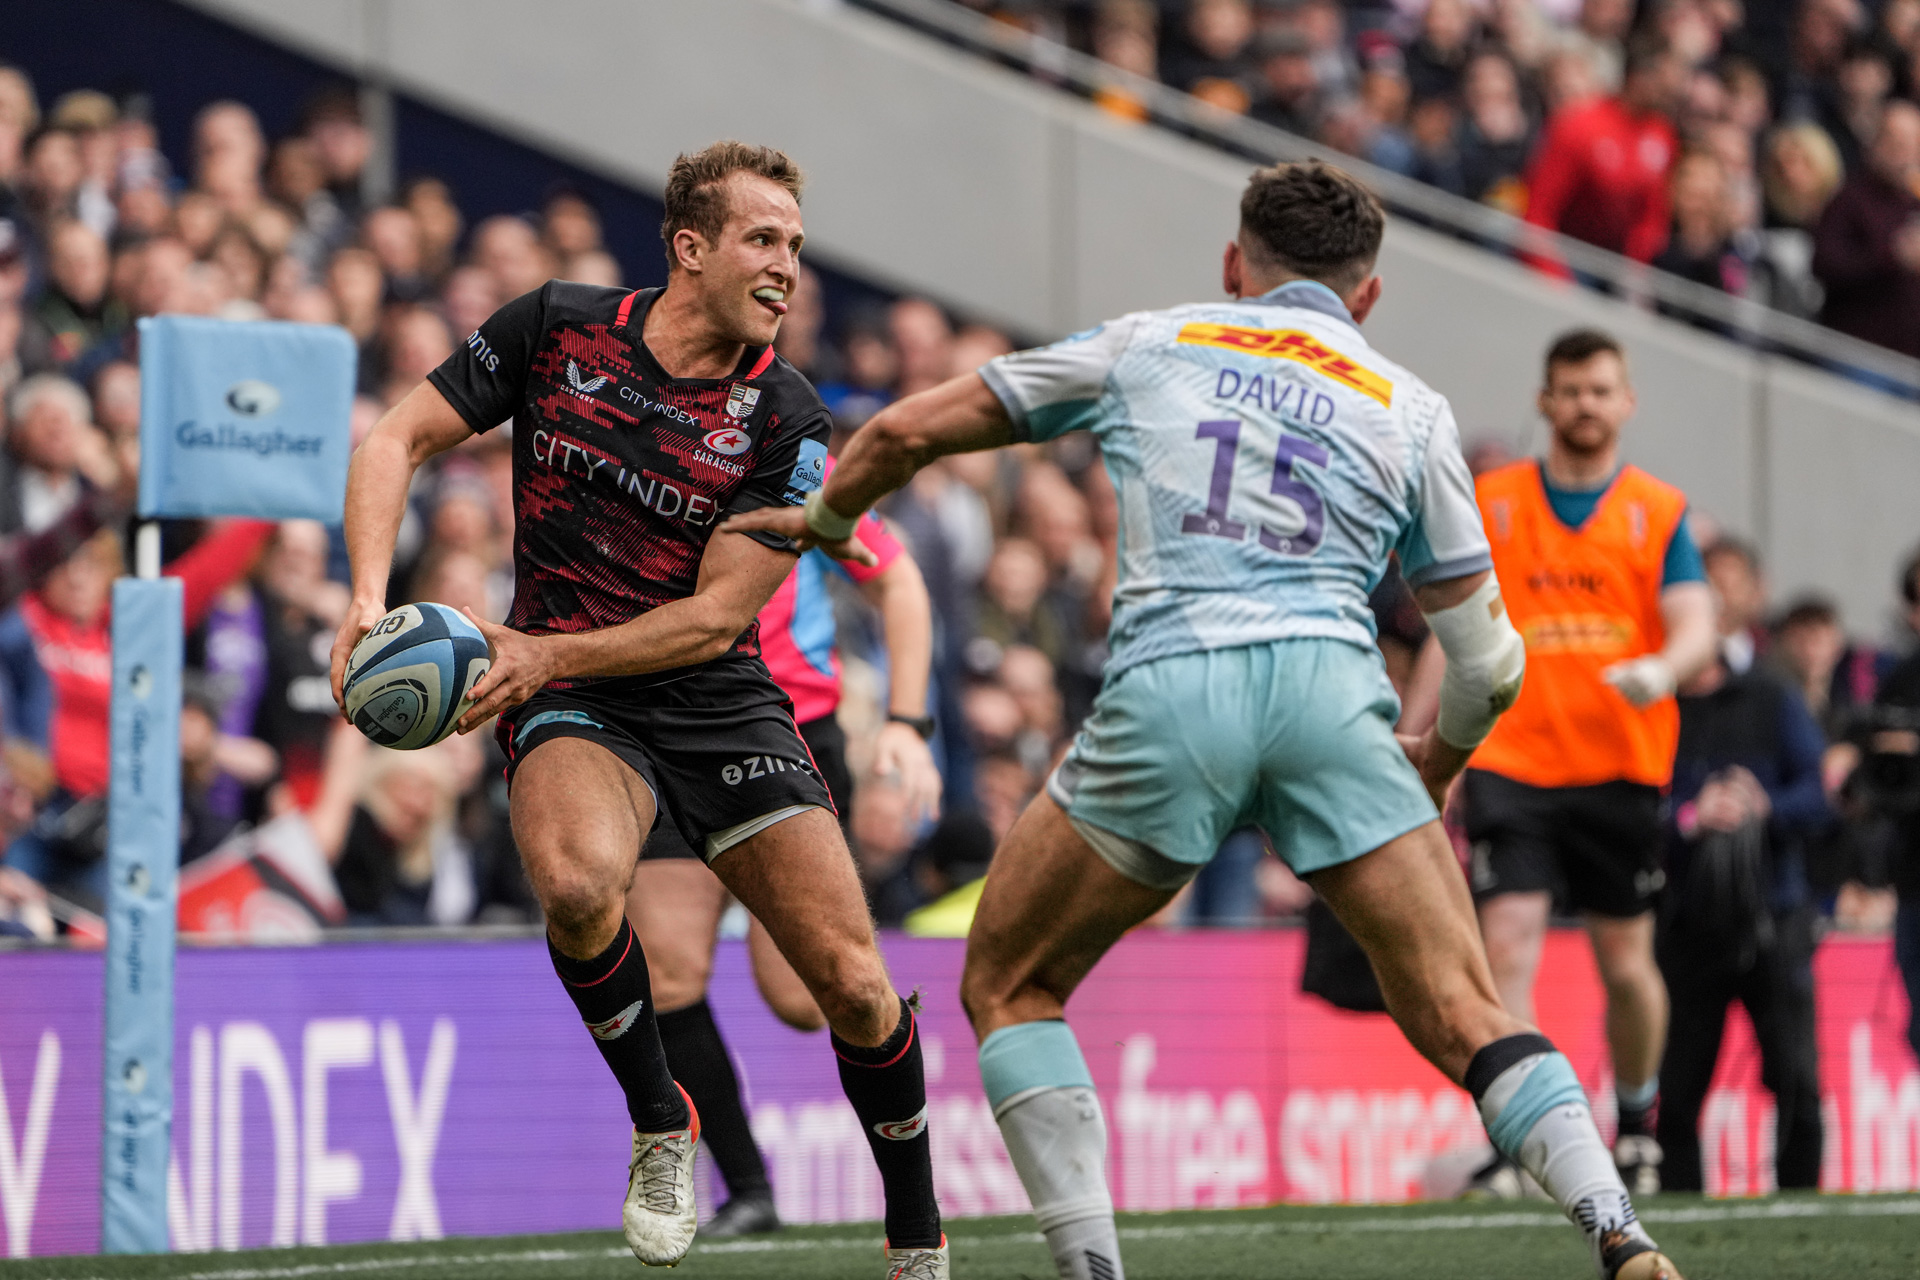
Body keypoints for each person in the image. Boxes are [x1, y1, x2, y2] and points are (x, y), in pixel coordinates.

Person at [726, 160, 1684, 1280]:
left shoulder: (1151, 342)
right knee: (1467, 1011)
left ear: (1235, 268)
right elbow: (1488, 661)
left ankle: (1091, 1267)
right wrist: (1435, 763)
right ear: (1365, 298)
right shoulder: (1410, 406)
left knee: (1010, 980)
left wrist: (835, 515)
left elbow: (900, 433)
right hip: (1335, 700)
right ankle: (1619, 1229)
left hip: (1172, 691)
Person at [329, 141, 945, 1276]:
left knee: (850, 988)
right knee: (574, 885)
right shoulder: (557, 328)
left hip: (718, 702)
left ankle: (918, 1235)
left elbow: (716, 623)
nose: (788, 269)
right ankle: (664, 1118)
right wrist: (366, 600)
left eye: (798, 249)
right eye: (765, 242)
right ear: (690, 246)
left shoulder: (789, 419)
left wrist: (536, 647)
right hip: (574, 697)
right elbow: (394, 437)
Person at [625, 480, 941, 1239]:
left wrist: (905, 721)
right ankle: (750, 1190)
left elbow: (896, 577)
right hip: (662, 723)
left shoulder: (792, 452)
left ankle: (910, 1167)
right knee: (664, 972)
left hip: (784, 729)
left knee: (807, 1000)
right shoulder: (631, 432)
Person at [1461, 329, 1717, 1200]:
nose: (1584, 406)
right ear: (1545, 399)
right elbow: (1455, 626)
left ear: (1626, 402)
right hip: (1513, 760)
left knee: (1625, 963)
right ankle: (1521, 1140)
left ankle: (1637, 1124)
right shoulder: (1492, 502)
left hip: (1619, 768)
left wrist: (1665, 669)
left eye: (1600, 391)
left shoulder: (1657, 509)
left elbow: (1696, 619)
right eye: (1570, 390)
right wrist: (1427, 742)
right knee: (1506, 947)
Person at [1657, 617, 1831, 1193]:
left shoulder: (1769, 696)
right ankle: (1680, 1214)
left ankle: (1803, 1206)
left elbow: (1817, 793)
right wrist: (1688, 818)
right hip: (1686, 924)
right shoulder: (1652, 708)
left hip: (1773, 917)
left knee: (1796, 1079)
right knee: (1677, 1089)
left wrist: (1764, 806)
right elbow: (1621, 811)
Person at [1524, 33, 1688, 267]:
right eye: (1666, 81)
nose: (1674, 90)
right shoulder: (1579, 126)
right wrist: (1554, 278)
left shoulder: (1663, 137)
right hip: (1565, 254)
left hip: (1615, 267)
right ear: (1640, 77)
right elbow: (1538, 211)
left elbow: (1651, 218)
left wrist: (1635, 274)